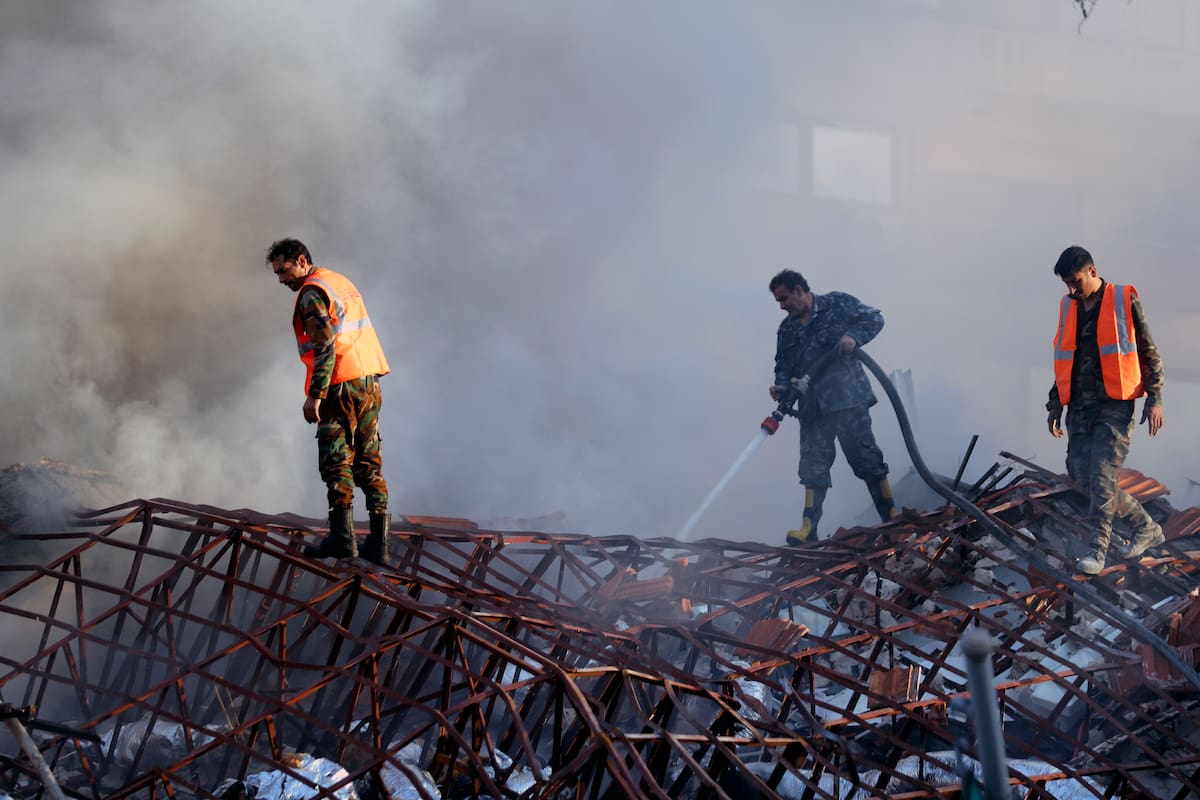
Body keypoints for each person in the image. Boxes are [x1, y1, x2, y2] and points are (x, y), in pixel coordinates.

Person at [266, 238, 393, 567]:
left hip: (339, 386)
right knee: (369, 462)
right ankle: (379, 544)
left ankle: (342, 538)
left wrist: (315, 395)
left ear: (302, 261)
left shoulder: (311, 292)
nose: (282, 279)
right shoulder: (338, 281)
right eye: (278, 273)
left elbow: (324, 347)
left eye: (285, 270)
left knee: (336, 461)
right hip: (368, 381)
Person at [1047, 245, 1164, 575]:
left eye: (1076, 281)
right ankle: (1146, 527)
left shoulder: (1123, 299)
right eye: (1067, 284)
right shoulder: (1069, 307)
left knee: (1101, 473)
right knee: (1080, 473)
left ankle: (1097, 551)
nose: (1072, 289)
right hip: (1080, 407)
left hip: (1115, 403)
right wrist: (1055, 404)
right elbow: (1063, 356)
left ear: (1092, 272)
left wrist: (1155, 398)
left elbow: (1148, 350)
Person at [769, 269, 897, 544]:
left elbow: (875, 318)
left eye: (784, 298)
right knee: (813, 468)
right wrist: (781, 386)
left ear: (800, 290)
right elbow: (783, 364)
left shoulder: (837, 304)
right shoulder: (787, 329)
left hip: (847, 400)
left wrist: (853, 336)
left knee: (867, 460)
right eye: (778, 301)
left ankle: (891, 517)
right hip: (812, 409)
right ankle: (807, 530)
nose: (782, 305)